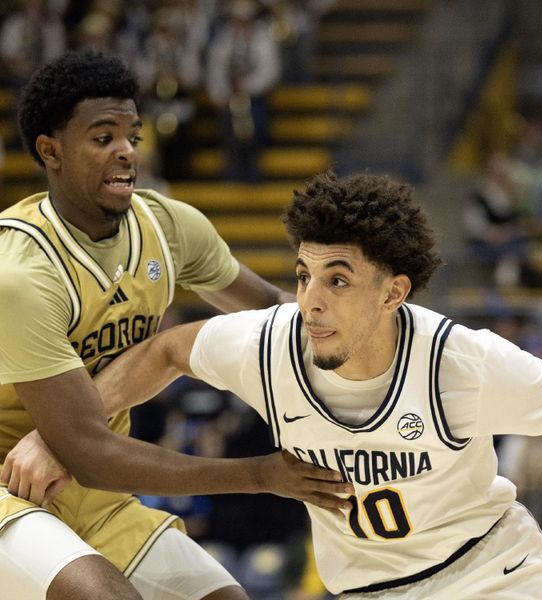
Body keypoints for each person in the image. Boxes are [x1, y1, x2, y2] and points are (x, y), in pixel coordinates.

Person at [11, 171, 542, 599]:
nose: (310, 300)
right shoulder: (268, 344)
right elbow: (165, 352)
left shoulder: (459, 361)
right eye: (302, 275)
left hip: (491, 572)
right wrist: (62, 433)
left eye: (338, 280)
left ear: (394, 293)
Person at [0, 50, 352, 600]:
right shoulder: (20, 274)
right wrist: (260, 475)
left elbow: (273, 314)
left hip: (95, 496)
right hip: (10, 490)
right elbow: (89, 452)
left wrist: (368, 331)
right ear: (51, 151)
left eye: (132, 136)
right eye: (102, 138)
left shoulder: (167, 226)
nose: (126, 152)